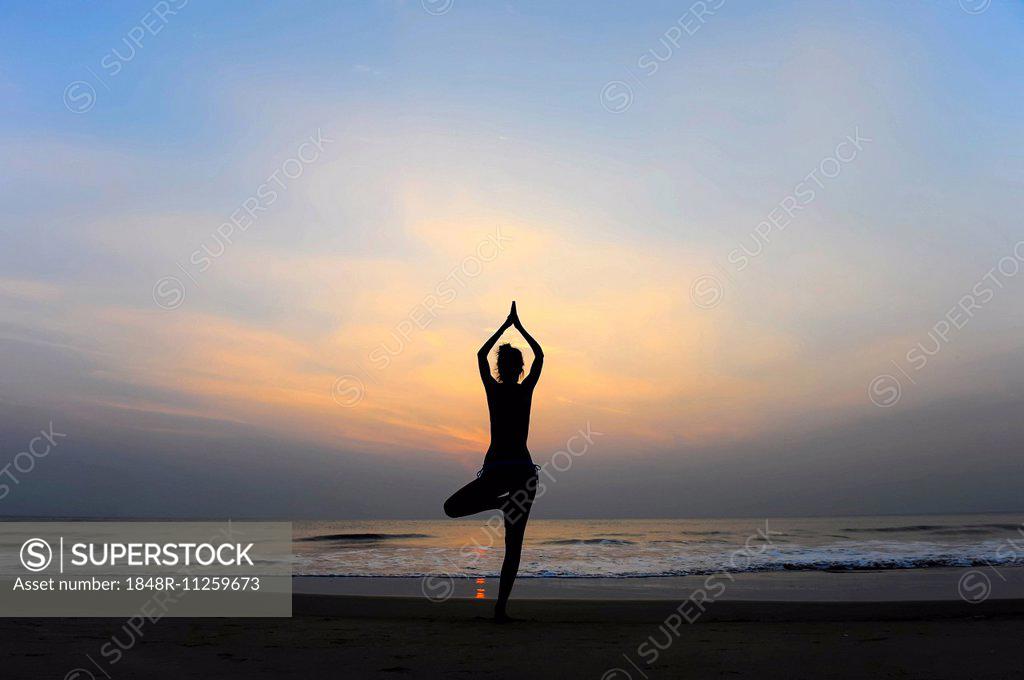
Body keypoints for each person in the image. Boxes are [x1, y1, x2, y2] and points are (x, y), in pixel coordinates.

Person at [443, 301, 544, 622]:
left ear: (502, 368)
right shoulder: (526, 388)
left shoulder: (494, 389)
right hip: (523, 474)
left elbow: (479, 356)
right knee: (513, 545)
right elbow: (541, 356)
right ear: (520, 367)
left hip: (500, 471)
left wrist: (505, 326)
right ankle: (500, 608)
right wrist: (520, 326)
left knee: (452, 508)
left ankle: (499, 505)